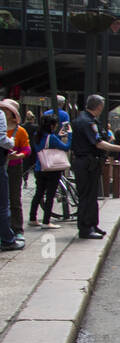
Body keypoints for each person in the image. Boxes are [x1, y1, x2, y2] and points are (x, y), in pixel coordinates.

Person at [69, 95, 120, 239]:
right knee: (87, 196)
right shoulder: (86, 122)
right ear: (99, 107)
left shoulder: (86, 119)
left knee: (92, 195)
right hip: (86, 162)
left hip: (88, 162)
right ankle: (85, 228)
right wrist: (119, 148)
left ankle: (92, 224)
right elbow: (98, 143)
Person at [28, 113, 71, 227]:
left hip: (39, 167)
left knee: (39, 193)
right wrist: (69, 135)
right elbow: (66, 147)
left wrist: (59, 136)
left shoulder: (37, 134)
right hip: (52, 169)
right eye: (55, 124)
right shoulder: (51, 137)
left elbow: (44, 146)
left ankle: (32, 218)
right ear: (51, 126)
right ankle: (46, 221)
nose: (56, 126)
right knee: (50, 195)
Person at [2, 100, 29, 240]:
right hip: (2, 166)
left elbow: (27, 149)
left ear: (12, 114)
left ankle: (17, 228)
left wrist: (18, 155)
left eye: (5, 110)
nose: (2, 112)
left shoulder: (20, 131)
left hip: (14, 167)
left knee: (14, 198)